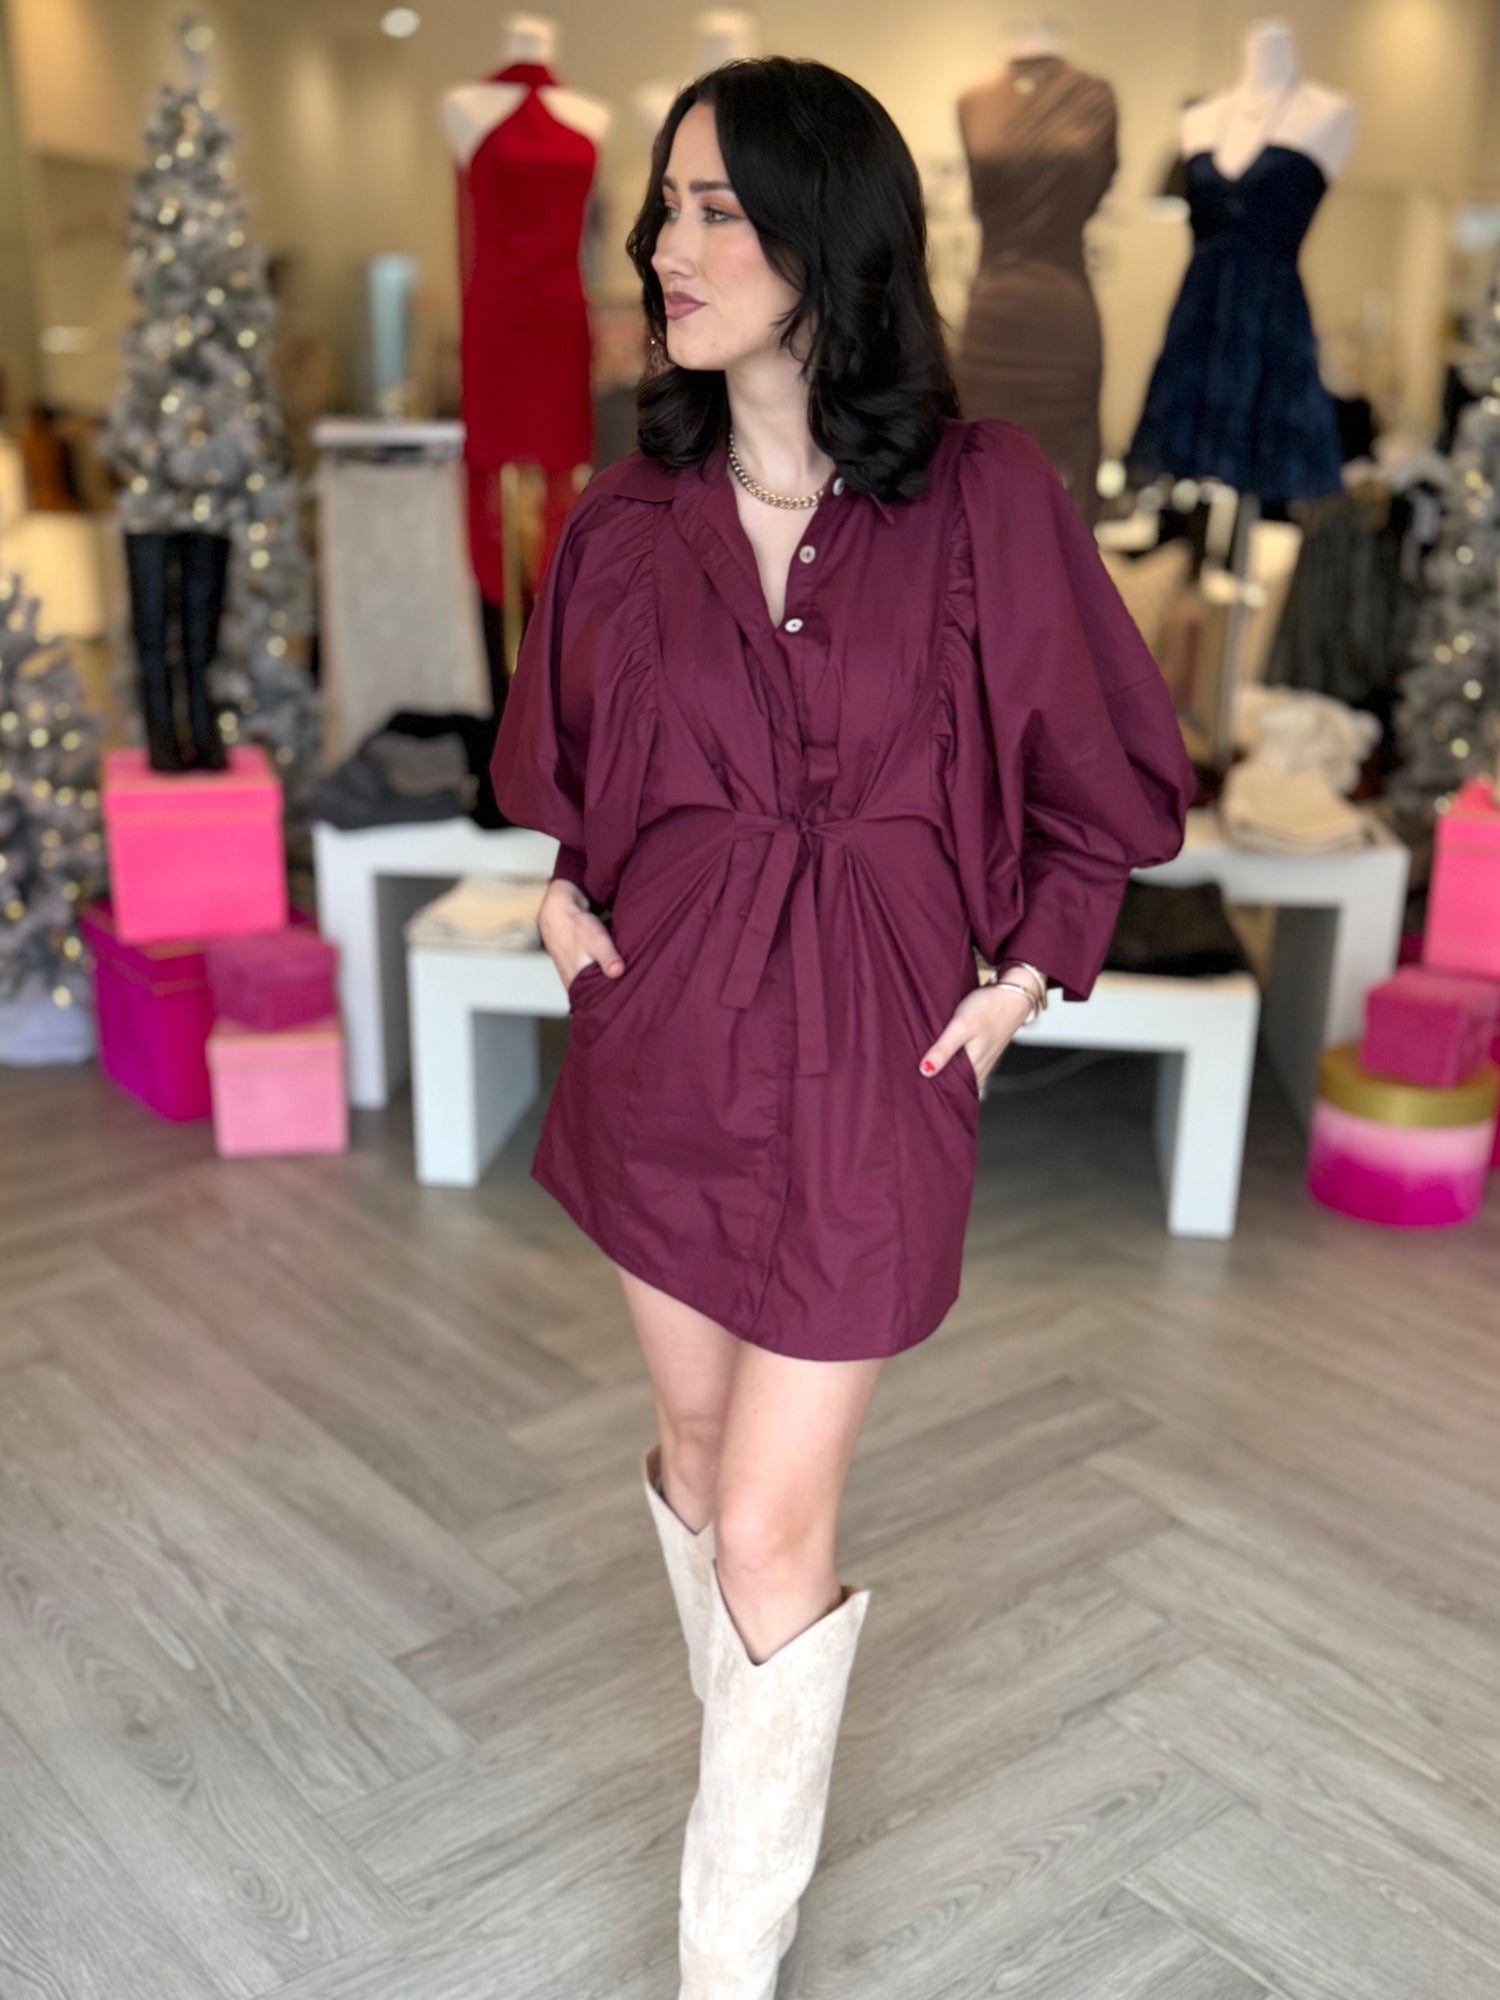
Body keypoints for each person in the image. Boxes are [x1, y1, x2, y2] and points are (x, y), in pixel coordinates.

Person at [489, 55, 1195, 1998]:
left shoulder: (989, 496)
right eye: (665, 205)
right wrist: (564, 907)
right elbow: (573, 786)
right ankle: (745, 1814)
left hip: (882, 1069)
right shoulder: (625, 521)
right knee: (697, 1450)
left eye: (716, 208)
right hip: (666, 1049)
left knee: (773, 1521)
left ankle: (726, 1957)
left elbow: (1108, 783)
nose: (666, 244)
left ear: (830, 235)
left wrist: (1025, 976)